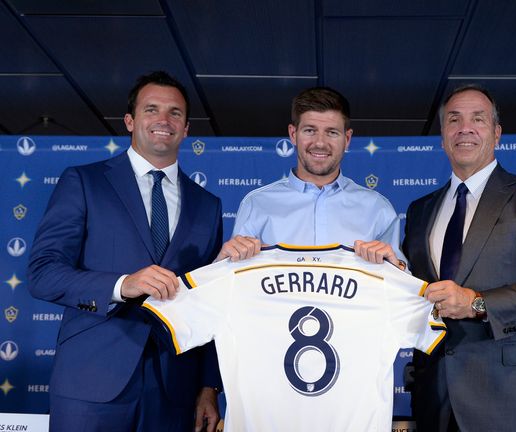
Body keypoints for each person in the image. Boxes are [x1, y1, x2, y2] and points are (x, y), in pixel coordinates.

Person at [27, 71, 238, 432]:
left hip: (175, 387)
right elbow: (42, 273)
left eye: (175, 113)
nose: (163, 120)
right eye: (151, 109)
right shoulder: (84, 181)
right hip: (91, 380)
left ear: (186, 128)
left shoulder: (208, 205)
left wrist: (208, 387)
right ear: (130, 121)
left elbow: (208, 303)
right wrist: (122, 284)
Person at [401, 84, 516, 431]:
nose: (464, 128)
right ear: (442, 136)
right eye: (453, 120)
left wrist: (478, 304)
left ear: (497, 134)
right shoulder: (420, 210)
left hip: (512, 398)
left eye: (478, 119)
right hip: (436, 399)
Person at [227, 86, 405, 267]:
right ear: (293, 134)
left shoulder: (378, 208)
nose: (320, 143)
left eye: (332, 132)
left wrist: (396, 266)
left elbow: (400, 283)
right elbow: (233, 276)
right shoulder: (256, 203)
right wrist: (226, 260)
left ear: (347, 139)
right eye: (310, 130)